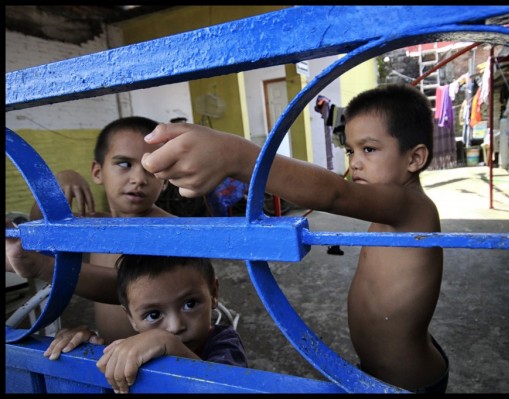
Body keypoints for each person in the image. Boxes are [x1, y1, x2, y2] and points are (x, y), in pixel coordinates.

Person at [140, 84, 449, 393]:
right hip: (375, 371)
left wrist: (239, 156)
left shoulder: (413, 208)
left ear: (415, 158)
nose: (354, 162)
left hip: (408, 383)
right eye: (351, 150)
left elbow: (334, 193)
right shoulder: (387, 215)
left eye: (368, 149)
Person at [6, 116, 174, 344]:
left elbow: (132, 288)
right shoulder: (95, 225)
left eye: (151, 168)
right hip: (110, 358)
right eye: (124, 164)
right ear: (97, 172)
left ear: (164, 181)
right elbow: (40, 223)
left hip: (162, 361)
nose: (138, 179)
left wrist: (44, 267)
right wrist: (55, 185)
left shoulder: (171, 229)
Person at [43, 254, 247, 394]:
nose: (175, 327)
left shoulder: (224, 342)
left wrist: (166, 343)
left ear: (213, 293)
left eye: (190, 304)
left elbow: (226, 387)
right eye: (153, 314)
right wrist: (85, 350)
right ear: (130, 317)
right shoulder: (132, 348)